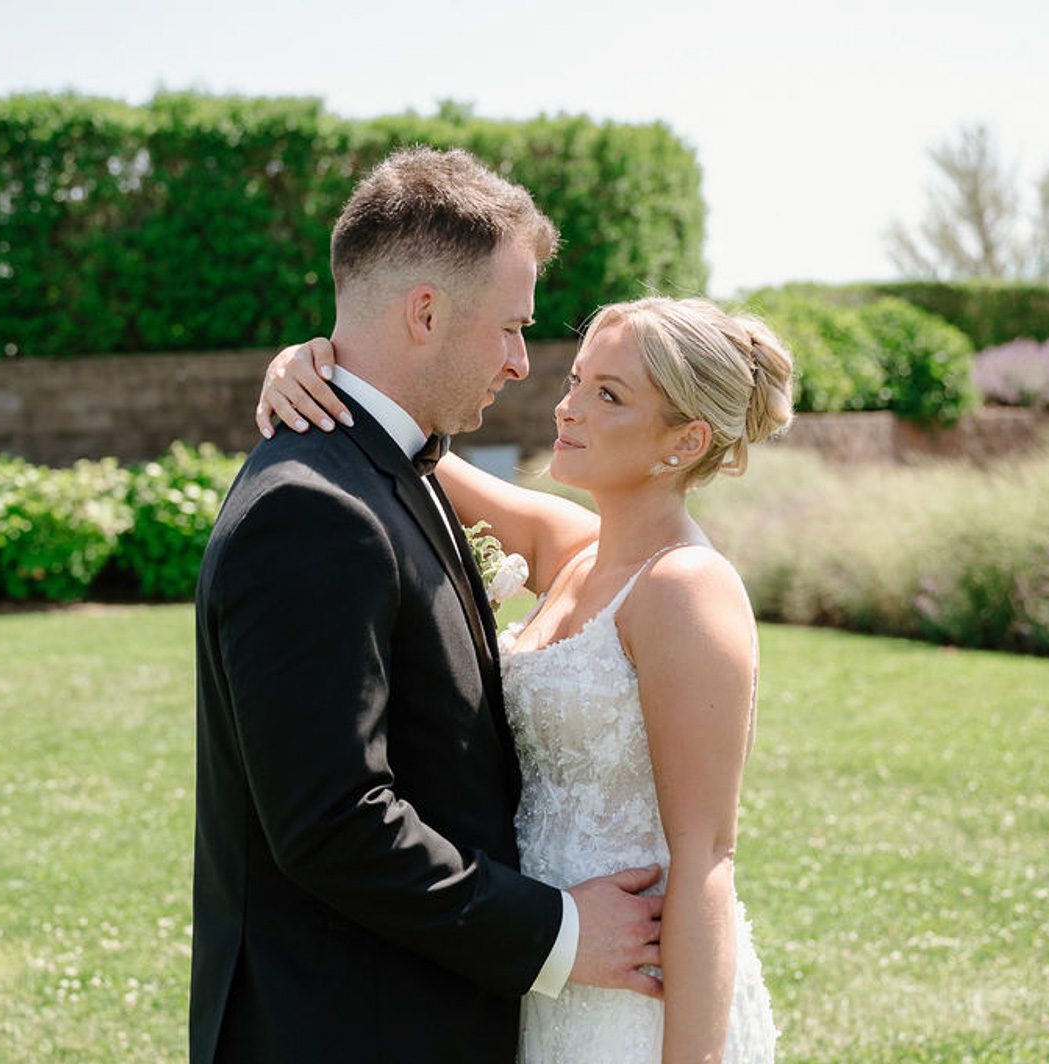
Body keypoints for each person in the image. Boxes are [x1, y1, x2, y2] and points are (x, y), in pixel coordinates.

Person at [190, 147, 669, 1064]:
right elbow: (333, 823)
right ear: (425, 312)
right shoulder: (313, 509)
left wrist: (311, 362)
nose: (524, 364)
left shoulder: (388, 467)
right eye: (510, 329)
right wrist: (562, 934)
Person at [257, 294, 792, 1063]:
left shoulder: (685, 589)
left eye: (608, 395)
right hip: (544, 963)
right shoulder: (572, 549)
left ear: (686, 440)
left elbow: (707, 858)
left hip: (642, 1001)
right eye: (576, 379)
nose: (566, 408)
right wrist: (307, 368)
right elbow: (403, 451)